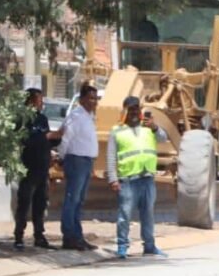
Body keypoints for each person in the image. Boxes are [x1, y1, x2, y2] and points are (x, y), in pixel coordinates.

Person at [107, 96, 168, 259]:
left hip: (147, 178)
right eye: (131, 109)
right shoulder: (117, 131)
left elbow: (163, 138)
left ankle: (149, 246)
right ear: (124, 111)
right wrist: (113, 179)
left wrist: (155, 127)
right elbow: (111, 157)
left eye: (137, 109)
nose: (134, 112)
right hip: (127, 180)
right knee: (124, 215)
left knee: (148, 214)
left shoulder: (148, 128)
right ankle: (122, 246)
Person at [14, 87, 61, 250]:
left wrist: (56, 139)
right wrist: (45, 137)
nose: (42, 103)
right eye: (40, 100)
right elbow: (26, 141)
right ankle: (18, 236)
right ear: (31, 101)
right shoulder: (22, 120)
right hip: (28, 168)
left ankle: (39, 236)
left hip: (42, 168)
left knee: (40, 204)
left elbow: (46, 141)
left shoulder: (42, 119)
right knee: (24, 203)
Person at [58, 84, 100, 251]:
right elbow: (66, 138)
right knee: (72, 199)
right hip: (76, 161)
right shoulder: (76, 116)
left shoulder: (89, 116)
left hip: (86, 162)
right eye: (90, 98)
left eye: (95, 99)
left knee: (79, 201)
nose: (93, 102)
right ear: (82, 99)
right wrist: (61, 157)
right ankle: (69, 237)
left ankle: (77, 236)